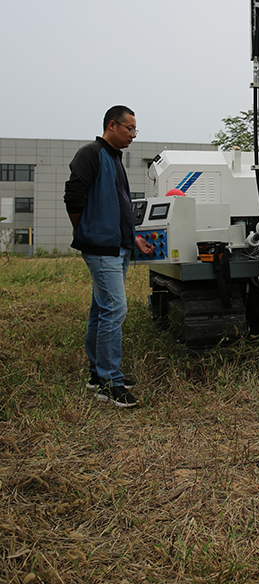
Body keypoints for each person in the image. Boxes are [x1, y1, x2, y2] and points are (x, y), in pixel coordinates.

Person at [64, 105, 154, 407]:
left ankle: (96, 374)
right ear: (112, 125)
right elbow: (73, 196)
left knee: (101, 310)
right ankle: (109, 382)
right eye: (130, 128)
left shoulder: (115, 158)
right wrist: (85, 229)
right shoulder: (91, 154)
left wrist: (133, 237)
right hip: (101, 248)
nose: (133, 135)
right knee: (115, 309)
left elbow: (118, 206)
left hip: (118, 246)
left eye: (135, 130)